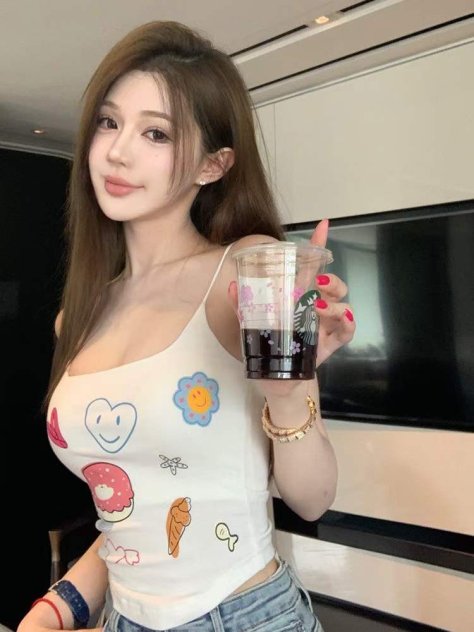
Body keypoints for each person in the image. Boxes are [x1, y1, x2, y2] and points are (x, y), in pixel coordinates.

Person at [18, 21, 355, 632]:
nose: (118, 151)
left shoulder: (245, 268)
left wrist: (288, 392)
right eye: (109, 122)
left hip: (244, 616)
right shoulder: (81, 313)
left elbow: (311, 499)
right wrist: (56, 608)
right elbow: (129, 514)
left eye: (156, 133)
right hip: (123, 617)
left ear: (212, 164)